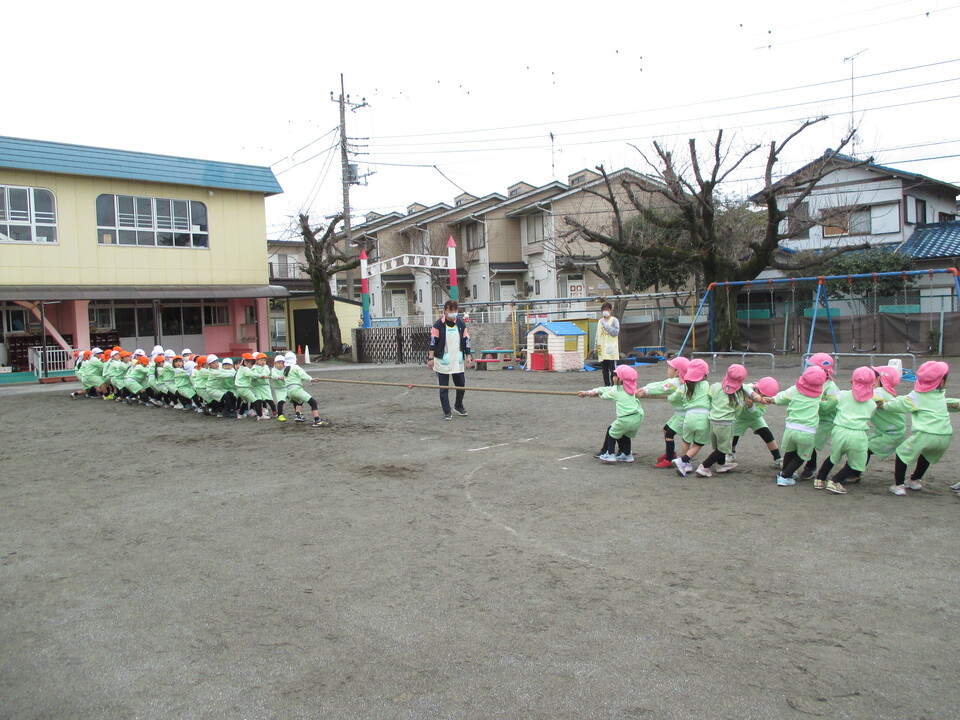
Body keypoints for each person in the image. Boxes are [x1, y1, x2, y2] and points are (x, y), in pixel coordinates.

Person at [879, 360, 960, 496]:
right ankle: (914, 480)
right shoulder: (940, 395)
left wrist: (883, 405)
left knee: (902, 454)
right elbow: (945, 405)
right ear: (941, 383)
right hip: (945, 435)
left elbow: (898, 405)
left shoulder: (916, 396)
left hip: (924, 434)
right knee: (927, 454)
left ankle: (898, 485)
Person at [813, 366, 879, 495]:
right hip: (858, 434)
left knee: (834, 456)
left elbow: (826, 407)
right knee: (857, 462)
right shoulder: (872, 404)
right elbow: (871, 415)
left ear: (852, 381)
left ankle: (820, 479)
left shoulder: (841, 395)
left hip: (839, 430)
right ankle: (835, 480)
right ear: (873, 383)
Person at [768, 366, 827, 486]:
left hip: (790, 428)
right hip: (807, 431)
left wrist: (769, 399)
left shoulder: (795, 390)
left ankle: (784, 471)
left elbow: (780, 399)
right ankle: (785, 476)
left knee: (789, 452)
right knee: (802, 456)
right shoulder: (819, 394)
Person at [578, 364, 643, 463]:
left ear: (620, 378)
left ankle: (610, 454)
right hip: (637, 417)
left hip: (625, 418)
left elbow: (606, 395)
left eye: (615, 375)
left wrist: (600, 395)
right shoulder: (632, 388)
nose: (613, 378)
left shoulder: (616, 390)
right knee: (625, 434)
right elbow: (609, 389)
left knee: (612, 433)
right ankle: (627, 455)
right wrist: (591, 392)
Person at [693, 363, 747, 477]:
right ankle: (704, 466)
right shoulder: (739, 394)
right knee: (723, 448)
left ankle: (721, 465)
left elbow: (710, 397)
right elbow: (739, 410)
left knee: (719, 445)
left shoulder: (715, 387)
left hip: (713, 421)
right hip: (726, 423)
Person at [636, 356, 689, 468]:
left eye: (670, 368)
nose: (668, 369)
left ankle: (669, 459)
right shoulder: (675, 381)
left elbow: (661, 388)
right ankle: (671, 453)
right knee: (666, 430)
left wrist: (645, 391)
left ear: (678, 372)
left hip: (684, 415)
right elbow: (661, 383)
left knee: (670, 434)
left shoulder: (677, 383)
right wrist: (644, 388)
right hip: (679, 413)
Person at [427, 300, 474, 420]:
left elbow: (466, 339)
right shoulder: (438, 325)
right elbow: (433, 342)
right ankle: (447, 411)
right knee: (444, 388)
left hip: (457, 360)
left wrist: (468, 355)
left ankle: (458, 405)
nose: (453, 313)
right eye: (450, 311)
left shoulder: (461, 324)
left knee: (461, 385)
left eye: (455, 311)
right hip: (443, 360)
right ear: (445, 311)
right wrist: (431, 358)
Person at [799, 352, 839, 480]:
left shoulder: (831, 387)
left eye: (812, 366)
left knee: (811, 442)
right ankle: (810, 465)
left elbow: (828, 408)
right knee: (807, 441)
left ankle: (811, 467)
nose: (809, 369)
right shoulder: (811, 382)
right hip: (813, 418)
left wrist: (813, 402)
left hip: (826, 421)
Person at [669, 358, 711, 477]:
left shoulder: (684, 386)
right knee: (698, 444)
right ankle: (683, 460)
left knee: (686, 440)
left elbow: (672, 398)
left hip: (688, 416)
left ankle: (686, 464)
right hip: (703, 417)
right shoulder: (706, 385)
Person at [731, 376, 782, 468]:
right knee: (734, 436)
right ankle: (731, 453)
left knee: (767, 435)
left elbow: (758, 414)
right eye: (761, 393)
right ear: (757, 388)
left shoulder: (766, 401)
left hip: (755, 418)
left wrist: (751, 406)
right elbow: (741, 386)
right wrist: (753, 394)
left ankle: (778, 458)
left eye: (766, 395)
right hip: (740, 417)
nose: (762, 397)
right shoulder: (749, 388)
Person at [280, 350, 328, 427]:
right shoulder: (295, 367)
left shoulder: (286, 369)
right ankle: (317, 420)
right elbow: (303, 375)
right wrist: (311, 379)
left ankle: (298, 415)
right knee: (313, 402)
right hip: (296, 389)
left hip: (289, 391)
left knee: (299, 400)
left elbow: (289, 378)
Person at [595, 302, 620, 386]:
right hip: (601, 348)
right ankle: (606, 385)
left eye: (607, 309)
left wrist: (606, 326)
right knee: (604, 369)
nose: (605, 311)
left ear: (610, 310)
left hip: (611, 349)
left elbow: (615, 332)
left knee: (613, 369)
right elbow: (597, 334)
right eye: (604, 310)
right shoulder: (600, 321)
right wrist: (595, 346)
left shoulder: (614, 320)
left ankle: (614, 385)